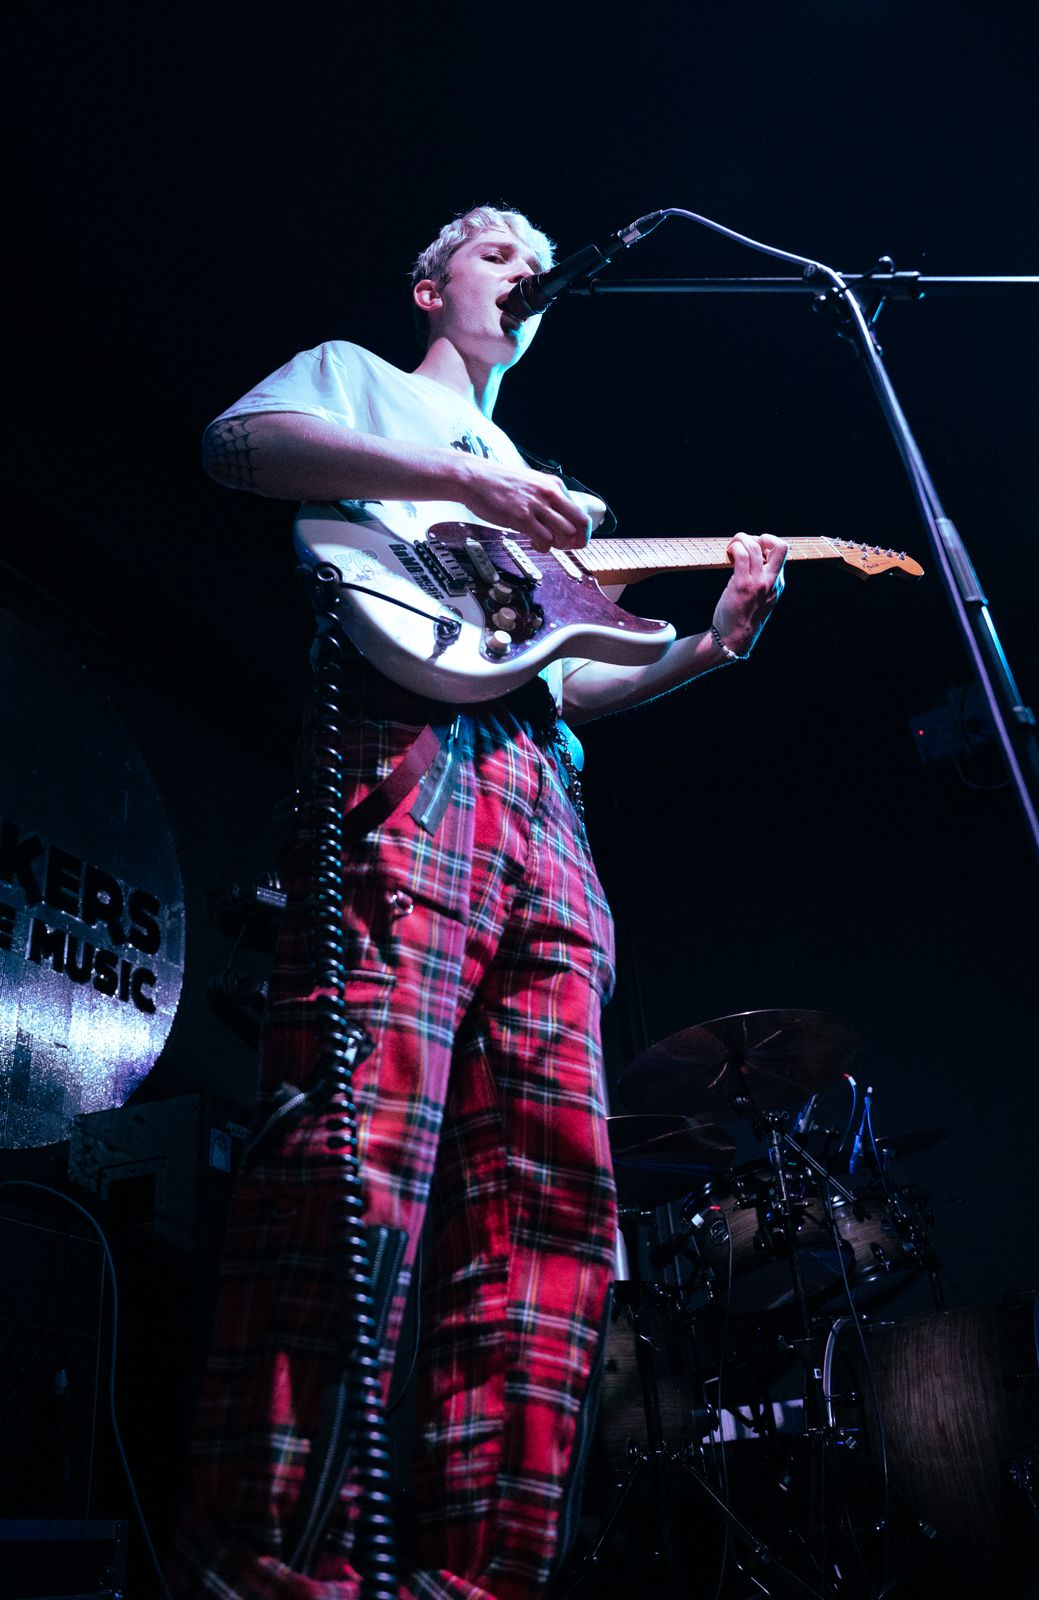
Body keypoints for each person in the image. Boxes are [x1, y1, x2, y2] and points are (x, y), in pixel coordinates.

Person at [170, 205, 787, 1600]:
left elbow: (567, 677)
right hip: (413, 762)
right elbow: (240, 445)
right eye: (496, 248)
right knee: (360, 1143)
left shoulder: (542, 485)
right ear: (428, 285)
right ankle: (271, 1561)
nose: (524, 269)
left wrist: (709, 648)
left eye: (532, 261)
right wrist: (473, 487)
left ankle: (483, 1574)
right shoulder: (361, 383)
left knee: (552, 1195)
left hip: (542, 799)